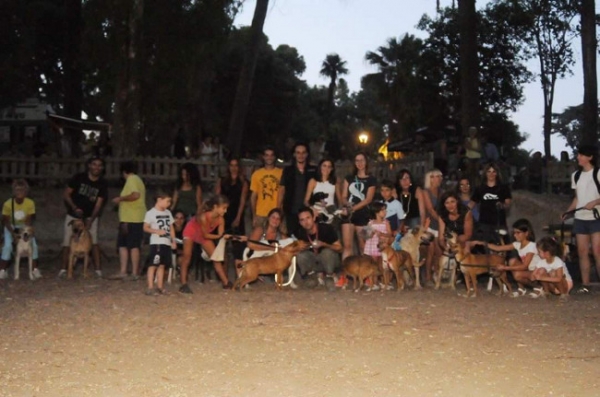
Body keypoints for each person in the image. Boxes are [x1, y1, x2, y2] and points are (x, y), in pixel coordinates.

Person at [59, 156, 108, 278]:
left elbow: (99, 204)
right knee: (67, 242)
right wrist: (74, 207)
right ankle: (64, 269)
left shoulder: (102, 184)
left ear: (102, 168)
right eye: (94, 164)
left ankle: (97, 270)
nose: (96, 167)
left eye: (99, 165)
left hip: (90, 216)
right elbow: (66, 194)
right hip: (73, 215)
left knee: (94, 242)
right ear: (89, 165)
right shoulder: (79, 178)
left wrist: (92, 218)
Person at [563, 144, 600, 294]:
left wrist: (596, 202)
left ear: (589, 157)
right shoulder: (576, 176)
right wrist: (568, 212)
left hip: (596, 218)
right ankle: (586, 284)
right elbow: (577, 198)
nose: (578, 157)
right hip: (580, 218)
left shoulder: (598, 173)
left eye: (581, 155)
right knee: (582, 251)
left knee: (597, 251)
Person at [471, 218, 540, 297]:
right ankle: (521, 288)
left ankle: (537, 287)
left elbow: (525, 266)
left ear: (526, 233)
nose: (515, 235)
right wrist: (481, 243)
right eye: (514, 233)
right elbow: (498, 248)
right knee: (512, 261)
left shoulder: (531, 246)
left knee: (517, 274)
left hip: (536, 271)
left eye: (518, 233)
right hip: (528, 270)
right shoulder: (517, 244)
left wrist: (504, 268)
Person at [336, 152, 376, 287]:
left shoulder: (371, 179)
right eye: (357, 160)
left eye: (362, 160)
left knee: (363, 246)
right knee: (347, 246)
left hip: (364, 215)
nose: (359, 163)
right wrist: (347, 205)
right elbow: (343, 195)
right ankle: (345, 276)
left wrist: (354, 208)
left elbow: (368, 199)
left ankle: (366, 276)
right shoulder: (349, 178)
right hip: (349, 214)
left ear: (366, 162)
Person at [179, 195, 232, 294]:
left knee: (216, 258)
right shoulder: (204, 216)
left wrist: (225, 236)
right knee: (187, 256)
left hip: (204, 235)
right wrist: (220, 236)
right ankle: (183, 284)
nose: (225, 211)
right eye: (224, 208)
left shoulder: (221, 220)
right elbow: (206, 235)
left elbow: (221, 235)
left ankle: (226, 283)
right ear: (215, 207)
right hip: (191, 231)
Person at [112, 161, 147, 280]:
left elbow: (135, 195)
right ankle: (124, 271)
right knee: (123, 244)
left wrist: (120, 198)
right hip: (127, 218)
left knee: (133, 245)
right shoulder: (135, 180)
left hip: (133, 218)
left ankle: (134, 272)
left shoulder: (132, 180)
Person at [0, 179, 41, 280]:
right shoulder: (8, 204)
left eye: (22, 190)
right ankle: (2, 270)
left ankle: (34, 269)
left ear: (26, 192)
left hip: (24, 226)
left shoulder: (30, 203)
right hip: (11, 226)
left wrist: (23, 234)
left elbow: (29, 219)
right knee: (7, 246)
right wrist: (14, 234)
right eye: (17, 190)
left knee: (33, 245)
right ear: (13, 191)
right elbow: (5, 220)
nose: (19, 192)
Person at [295, 206, 342, 286]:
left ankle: (329, 275)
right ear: (300, 223)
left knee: (326, 252)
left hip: (330, 260)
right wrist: (302, 247)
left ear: (313, 218)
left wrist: (324, 244)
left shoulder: (326, 229)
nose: (306, 222)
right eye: (302, 220)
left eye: (308, 218)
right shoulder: (301, 233)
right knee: (300, 255)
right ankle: (311, 276)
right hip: (314, 260)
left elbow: (340, 248)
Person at [278, 142, 317, 237]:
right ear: (294, 154)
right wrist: (278, 207)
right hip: (291, 210)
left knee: (309, 238)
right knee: (292, 238)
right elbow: (282, 189)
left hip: (309, 212)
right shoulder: (288, 170)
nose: (301, 155)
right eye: (298, 152)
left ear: (307, 154)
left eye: (303, 152)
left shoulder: (313, 170)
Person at [143, 190, 177, 295]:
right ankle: (150, 287)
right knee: (153, 264)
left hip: (166, 242)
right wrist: (156, 231)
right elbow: (145, 227)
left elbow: (171, 228)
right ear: (159, 200)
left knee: (162, 265)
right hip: (156, 242)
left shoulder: (168, 213)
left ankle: (160, 286)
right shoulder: (150, 213)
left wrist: (173, 240)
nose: (169, 204)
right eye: (167, 201)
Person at [470, 162, 512, 244]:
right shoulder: (480, 188)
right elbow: (471, 204)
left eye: (493, 171)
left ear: (497, 173)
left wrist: (502, 205)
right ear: (485, 173)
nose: (491, 174)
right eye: (489, 171)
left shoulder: (503, 188)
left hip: (499, 223)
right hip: (484, 223)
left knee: (502, 246)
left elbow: (508, 204)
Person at [250, 146, 283, 228]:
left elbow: (283, 194)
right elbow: (253, 196)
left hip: (276, 213)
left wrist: (280, 212)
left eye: (271, 155)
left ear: (275, 157)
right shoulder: (256, 174)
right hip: (261, 213)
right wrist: (254, 215)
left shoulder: (281, 173)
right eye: (267, 155)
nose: (269, 157)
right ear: (263, 157)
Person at [422, 169, 444, 284]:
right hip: (431, 224)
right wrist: (440, 220)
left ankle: (436, 273)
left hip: (439, 225)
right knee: (430, 251)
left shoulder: (442, 191)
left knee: (439, 251)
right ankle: (428, 276)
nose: (438, 178)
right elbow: (430, 209)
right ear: (430, 178)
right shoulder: (426, 192)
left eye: (440, 176)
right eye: (436, 176)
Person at [215, 158, 248, 235]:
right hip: (223, 211)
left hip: (236, 211)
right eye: (231, 165)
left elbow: (242, 201)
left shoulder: (243, 182)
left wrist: (238, 217)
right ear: (228, 167)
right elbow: (217, 197)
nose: (234, 168)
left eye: (236, 165)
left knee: (238, 238)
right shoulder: (222, 180)